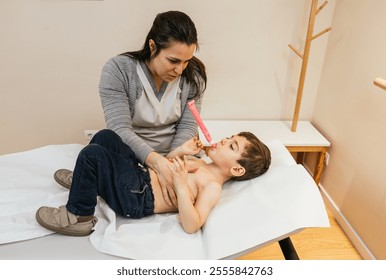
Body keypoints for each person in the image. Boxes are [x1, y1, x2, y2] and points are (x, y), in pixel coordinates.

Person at [54, 10, 207, 207]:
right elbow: (120, 129)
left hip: (175, 156)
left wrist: (171, 163)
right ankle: (95, 178)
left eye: (186, 61)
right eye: (173, 61)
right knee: (104, 138)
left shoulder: (194, 77)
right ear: (153, 46)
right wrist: (157, 164)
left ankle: (95, 179)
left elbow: (187, 127)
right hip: (131, 156)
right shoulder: (118, 70)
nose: (180, 69)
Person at [36, 129, 271, 235]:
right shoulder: (201, 164)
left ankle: (79, 216)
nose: (224, 140)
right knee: (106, 137)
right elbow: (165, 165)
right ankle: (85, 181)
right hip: (139, 176)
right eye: (230, 137)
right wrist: (181, 150)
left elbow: (192, 224)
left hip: (138, 196)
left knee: (92, 154)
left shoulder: (212, 187)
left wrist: (180, 185)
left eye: (232, 145)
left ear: (237, 169)